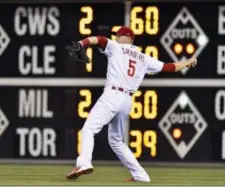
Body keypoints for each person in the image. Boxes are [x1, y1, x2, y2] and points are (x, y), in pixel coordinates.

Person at [66, 26, 197, 182]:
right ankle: (141, 176)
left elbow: (99, 39)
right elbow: (169, 67)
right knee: (116, 140)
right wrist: (188, 62)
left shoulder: (117, 48)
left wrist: (82, 43)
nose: (116, 38)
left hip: (112, 95)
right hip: (127, 100)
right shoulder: (143, 57)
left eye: (119, 35)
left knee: (88, 129)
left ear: (127, 37)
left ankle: (84, 163)